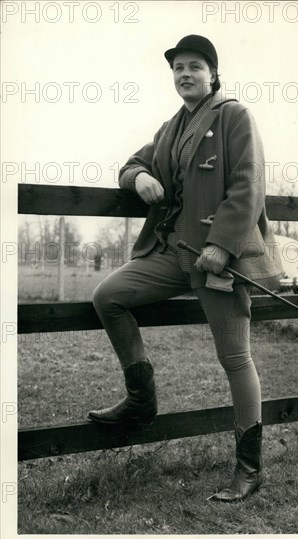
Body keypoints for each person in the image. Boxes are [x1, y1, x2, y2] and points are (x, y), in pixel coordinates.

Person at [88, 35, 283, 502]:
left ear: (212, 73)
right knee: (107, 297)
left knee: (235, 358)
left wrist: (222, 246)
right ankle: (141, 401)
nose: (185, 74)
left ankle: (249, 468)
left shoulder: (234, 115)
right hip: (170, 254)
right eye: (178, 68)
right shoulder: (172, 127)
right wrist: (141, 177)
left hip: (217, 259)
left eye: (195, 66)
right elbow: (132, 163)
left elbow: (248, 185)